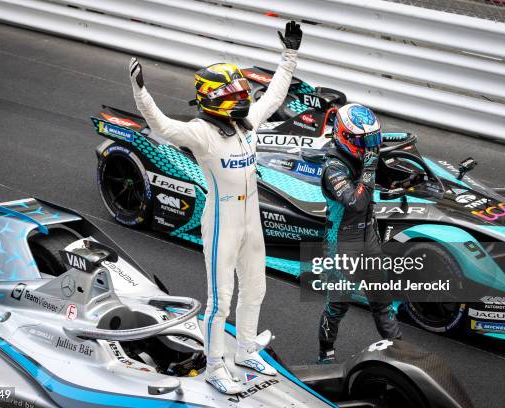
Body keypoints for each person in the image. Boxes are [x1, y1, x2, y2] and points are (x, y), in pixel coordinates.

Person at [128, 21, 303, 394]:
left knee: (255, 290)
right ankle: (214, 367)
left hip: (251, 222)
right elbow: (161, 125)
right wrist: (140, 93)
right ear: (215, 98)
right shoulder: (201, 133)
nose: (243, 94)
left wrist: (289, 55)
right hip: (222, 224)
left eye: (242, 88)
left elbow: (273, 95)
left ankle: (244, 349)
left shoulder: (246, 123)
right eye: (235, 90)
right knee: (220, 302)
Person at [317, 103, 402, 364]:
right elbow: (357, 202)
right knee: (338, 305)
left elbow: (389, 179)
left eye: (373, 140)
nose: (371, 147)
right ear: (345, 136)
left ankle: (399, 353)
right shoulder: (333, 167)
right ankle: (326, 354)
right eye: (366, 141)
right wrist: (369, 168)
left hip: (369, 238)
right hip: (343, 244)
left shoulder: (366, 156)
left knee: (382, 300)